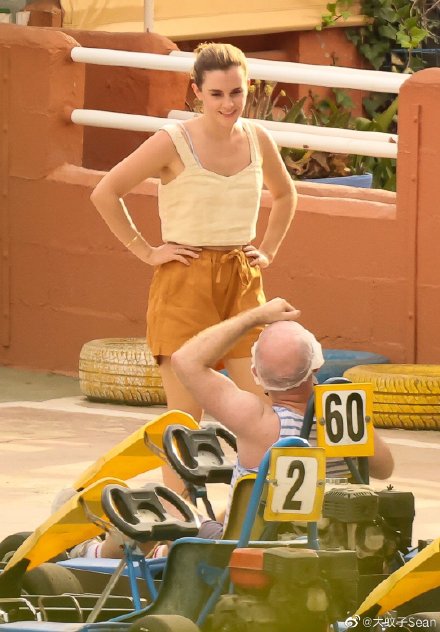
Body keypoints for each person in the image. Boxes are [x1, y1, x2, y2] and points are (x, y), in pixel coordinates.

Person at [90, 42, 297, 426]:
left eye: (236, 92)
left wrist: (268, 250)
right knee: (185, 420)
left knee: (265, 413)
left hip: (242, 279)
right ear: (197, 90)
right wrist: (146, 251)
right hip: (185, 279)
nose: (228, 104)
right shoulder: (172, 141)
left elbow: (285, 194)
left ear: (247, 88)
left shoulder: (258, 138)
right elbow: (106, 192)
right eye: (216, 94)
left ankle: (256, 469)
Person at [171, 297, 395, 537]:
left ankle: (161, 551)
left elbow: (185, 361)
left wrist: (253, 317)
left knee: (171, 507)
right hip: (332, 545)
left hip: (248, 550)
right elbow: (385, 469)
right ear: (316, 366)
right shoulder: (345, 421)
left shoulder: (255, 422)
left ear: (255, 373)